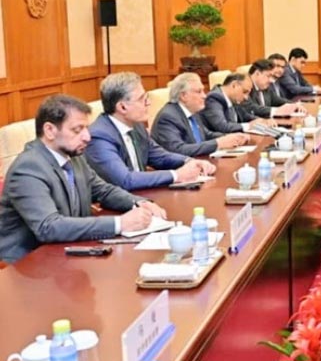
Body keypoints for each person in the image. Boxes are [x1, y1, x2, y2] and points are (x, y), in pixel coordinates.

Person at [0, 95, 165, 262]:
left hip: (67, 252)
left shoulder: (73, 156)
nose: (87, 137)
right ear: (50, 130)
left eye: (86, 128)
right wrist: (119, 223)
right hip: (27, 264)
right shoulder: (28, 167)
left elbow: (103, 191)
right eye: (77, 130)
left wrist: (138, 202)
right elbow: (48, 227)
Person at [85, 72, 215, 191]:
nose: (148, 103)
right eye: (142, 99)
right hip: (116, 204)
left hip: (143, 195)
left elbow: (159, 156)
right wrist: (177, 175)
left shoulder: (136, 126)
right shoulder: (99, 137)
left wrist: (189, 161)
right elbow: (125, 180)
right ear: (122, 107)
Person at [151, 72, 248, 157]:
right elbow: (178, 149)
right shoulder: (168, 117)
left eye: (203, 91)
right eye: (199, 92)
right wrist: (218, 143)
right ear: (183, 96)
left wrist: (231, 137)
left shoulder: (192, 111)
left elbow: (206, 134)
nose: (204, 96)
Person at [237, 59, 305, 120]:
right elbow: (251, 108)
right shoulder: (245, 88)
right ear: (257, 73)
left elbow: (278, 100)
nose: (271, 80)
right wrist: (277, 111)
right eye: (268, 76)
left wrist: (294, 105)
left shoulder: (265, 87)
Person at [200, 73, 267, 133]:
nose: (246, 97)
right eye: (244, 92)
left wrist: (262, 121)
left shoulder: (233, 98)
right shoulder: (213, 98)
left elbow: (244, 116)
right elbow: (222, 126)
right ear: (234, 85)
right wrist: (248, 126)